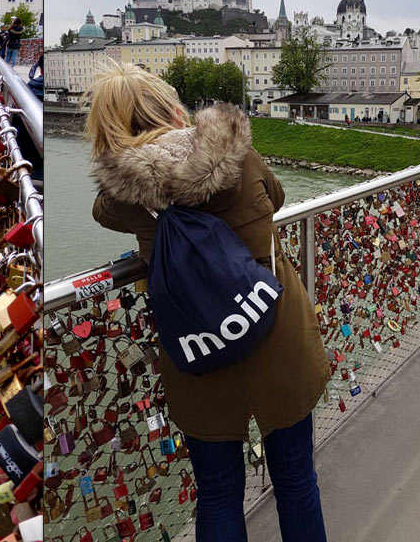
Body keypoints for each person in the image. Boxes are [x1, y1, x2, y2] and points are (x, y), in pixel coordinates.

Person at [85, 63, 330, 542]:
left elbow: (101, 210)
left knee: (218, 493)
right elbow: (276, 198)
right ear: (174, 108)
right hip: (273, 325)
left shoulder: (127, 196)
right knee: (297, 480)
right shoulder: (237, 154)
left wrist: (126, 162)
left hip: (201, 345)